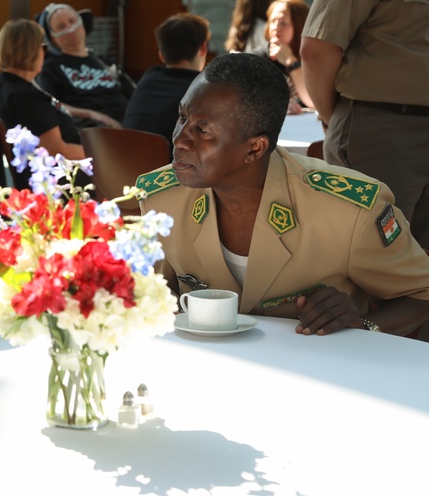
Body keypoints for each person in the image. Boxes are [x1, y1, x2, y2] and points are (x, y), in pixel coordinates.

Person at [137, 53, 429, 337]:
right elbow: (155, 295)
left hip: (318, 375)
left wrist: (362, 326)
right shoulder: (161, 199)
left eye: (202, 129)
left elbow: (421, 292)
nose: (179, 138)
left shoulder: (349, 212)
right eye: (182, 116)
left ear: (255, 148)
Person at [301, 0, 429, 249]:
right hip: (382, 128)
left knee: (418, 267)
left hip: (388, 127)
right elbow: (317, 50)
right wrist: (336, 118)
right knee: (371, 253)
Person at [0, 19, 85, 190]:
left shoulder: (4, 85)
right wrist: (101, 153)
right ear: (30, 51)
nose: (45, 53)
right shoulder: (26, 98)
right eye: (43, 47)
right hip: (65, 183)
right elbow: (58, 151)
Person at [122, 13, 210, 153]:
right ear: (203, 48)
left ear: (161, 54)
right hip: (166, 171)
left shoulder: (148, 78)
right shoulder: (202, 89)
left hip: (124, 163)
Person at [35, 3, 128, 129]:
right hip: (92, 131)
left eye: (72, 21)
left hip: (129, 123)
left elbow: (137, 95)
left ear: (82, 24)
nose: (70, 28)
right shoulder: (50, 67)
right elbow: (50, 103)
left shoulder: (106, 63)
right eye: (61, 26)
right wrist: (91, 114)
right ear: (53, 38)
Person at [250, 0, 312, 114]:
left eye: (284, 23)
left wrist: (291, 62)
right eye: (273, 21)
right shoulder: (256, 60)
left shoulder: (312, 59)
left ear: (300, 26)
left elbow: (312, 101)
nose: (276, 27)